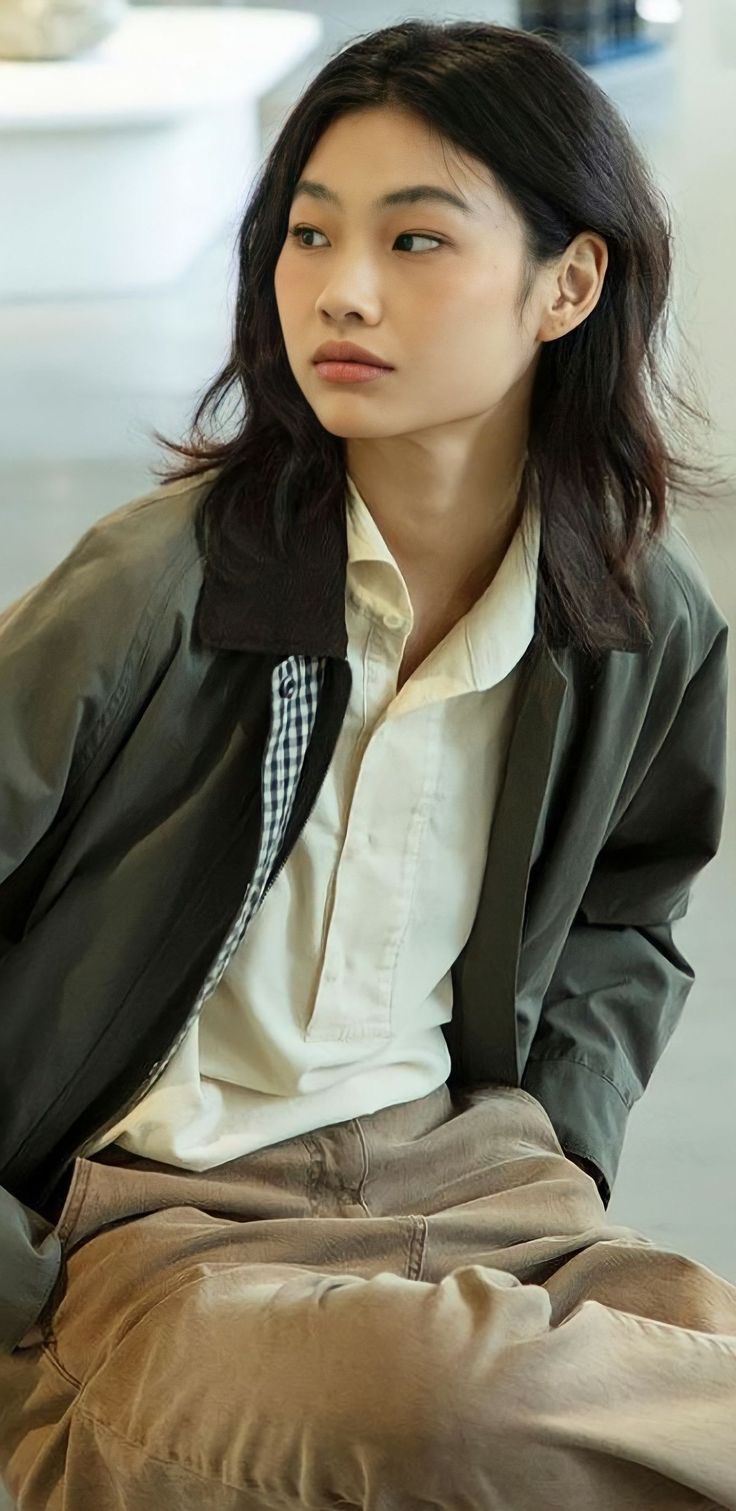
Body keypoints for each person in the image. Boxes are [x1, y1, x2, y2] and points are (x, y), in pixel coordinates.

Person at [0, 17, 734, 1511]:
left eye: (415, 240)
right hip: (159, 1231)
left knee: (664, 1344)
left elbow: (628, 907)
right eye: (308, 232)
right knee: (449, 1410)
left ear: (569, 285)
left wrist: (563, 1145)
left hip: (479, 1185)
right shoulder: (156, 595)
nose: (340, 289)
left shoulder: (635, 618)